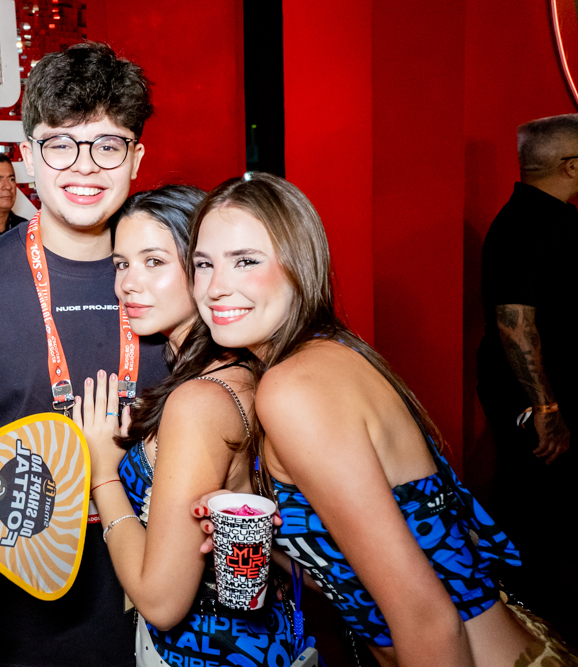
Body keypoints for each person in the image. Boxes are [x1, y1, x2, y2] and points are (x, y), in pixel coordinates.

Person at [190, 174, 566, 666]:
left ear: (300, 267)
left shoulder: (292, 388)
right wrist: (270, 540)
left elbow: (426, 617)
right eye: (202, 264)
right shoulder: (329, 353)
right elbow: (357, 570)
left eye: (246, 261)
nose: (217, 287)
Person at [0, 42, 169, 665]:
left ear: (136, 158)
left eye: (108, 144)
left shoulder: (182, 286)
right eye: (61, 143)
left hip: (163, 606)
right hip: (16, 615)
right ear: (30, 154)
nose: (84, 166)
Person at [73, 185, 296, 666]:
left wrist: (102, 472)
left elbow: (162, 602)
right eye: (121, 264)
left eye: (154, 261)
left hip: (211, 653)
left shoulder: (199, 400)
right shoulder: (237, 369)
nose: (128, 283)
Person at [477, 114, 578, 641]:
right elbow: (514, 323)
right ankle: (525, 631)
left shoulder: (555, 220)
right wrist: (547, 410)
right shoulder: (523, 226)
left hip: (551, 400)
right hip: (538, 403)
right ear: (571, 165)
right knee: (533, 515)